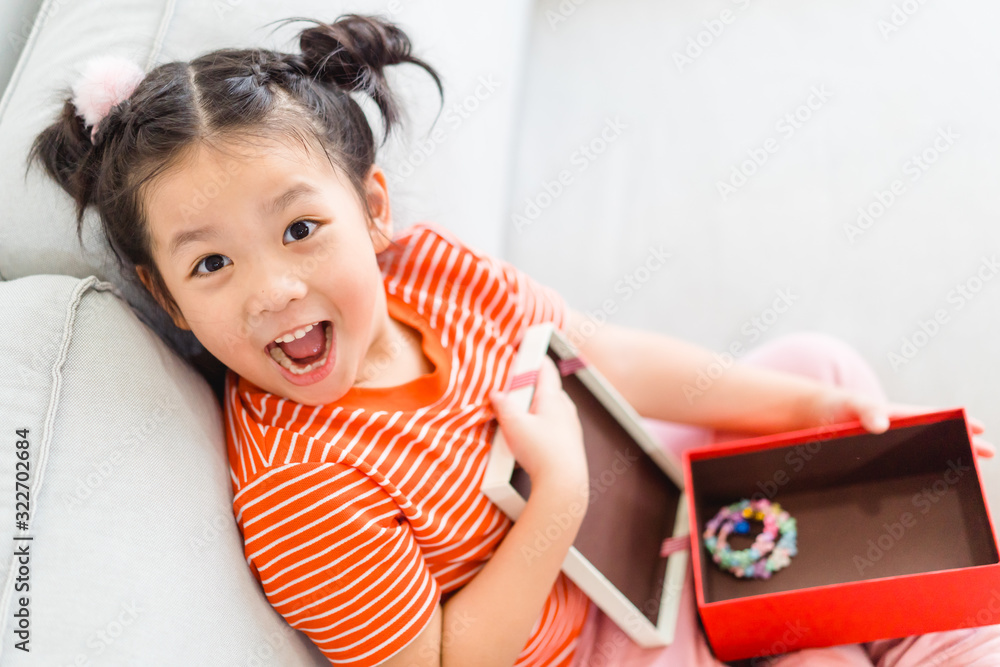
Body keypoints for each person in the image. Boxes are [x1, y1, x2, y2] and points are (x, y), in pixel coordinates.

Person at [27, 13, 1000, 667]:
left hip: (645, 503)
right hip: (588, 640)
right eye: (210, 266)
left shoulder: (429, 272)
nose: (274, 290)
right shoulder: (300, 484)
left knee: (816, 369)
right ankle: (901, 623)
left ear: (373, 212)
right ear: (163, 292)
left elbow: (596, 353)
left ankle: (915, 584)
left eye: (299, 229)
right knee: (817, 643)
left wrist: (807, 416)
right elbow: (440, 658)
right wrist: (556, 501)